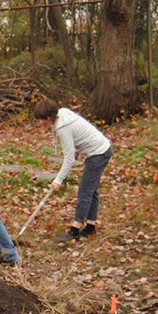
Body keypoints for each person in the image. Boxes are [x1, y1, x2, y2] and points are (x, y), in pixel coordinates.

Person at [34, 98, 113, 242]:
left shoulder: (62, 127)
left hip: (99, 153)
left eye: (41, 119)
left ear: (48, 117)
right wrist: (76, 149)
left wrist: (58, 180)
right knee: (92, 191)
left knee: (85, 192)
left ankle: (75, 230)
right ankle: (90, 227)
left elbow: (69, 158)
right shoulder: (63, 112)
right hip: (102, 149)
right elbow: (77, 135)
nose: (40, 123)